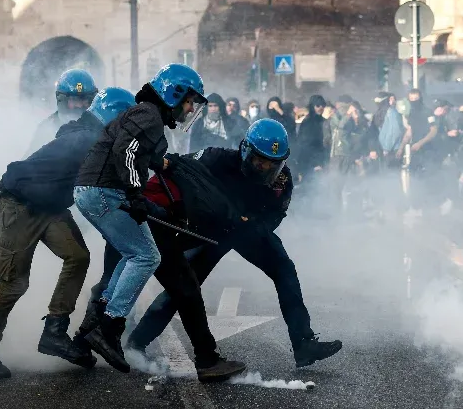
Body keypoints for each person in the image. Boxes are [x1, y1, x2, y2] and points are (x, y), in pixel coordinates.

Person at [128, 119, 343, 367]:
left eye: (273, 163)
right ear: (245, 150)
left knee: (285, 269)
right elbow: (177, 167)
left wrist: (251, 229)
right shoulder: (215, 158)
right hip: (209, 232)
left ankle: (304, 343)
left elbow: (275, 215)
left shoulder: (282, 180)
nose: (265, 168)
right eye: (260, 160)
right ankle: (136, 343)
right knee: (183, 288)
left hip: (247, 230)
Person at [0, 88, 137, 379]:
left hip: (47, 205)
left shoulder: (92, 135)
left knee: (78, 256)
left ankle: (55, 331)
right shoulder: (93, 140)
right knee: (13, 283)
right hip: (16, 203)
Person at [72, 63, 207, 372]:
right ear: (173, 93)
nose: (190, 109)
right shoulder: (149, 115)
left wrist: (162, 164)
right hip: (103, 190)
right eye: (188, 101)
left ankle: (100, 320)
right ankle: (110, 328)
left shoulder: (146, 115)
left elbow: (138, 152)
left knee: (131, 252)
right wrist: (135, 194)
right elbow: (127, 152)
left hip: (94, 189)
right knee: (146, 256)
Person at [28, 68, 98, 153]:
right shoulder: (46, 128)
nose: (79, 106)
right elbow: (29, 162)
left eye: (85, 100)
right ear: (62, 99)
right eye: (74, 100)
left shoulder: (101, 125)